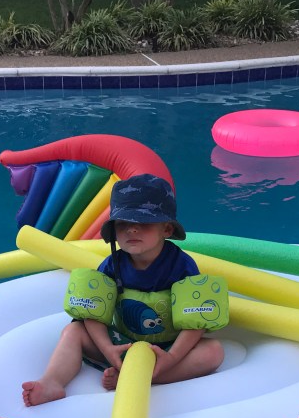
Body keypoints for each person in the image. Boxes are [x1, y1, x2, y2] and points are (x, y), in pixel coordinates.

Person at [22, 174, 225, 406]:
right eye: (123, 224)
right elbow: (92, 312)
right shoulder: (112, 265)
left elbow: (195, 320)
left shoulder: (182, 266)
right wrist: (107, 348)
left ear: (167, 229)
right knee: (73, 331)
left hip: (168, 348)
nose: (132, 230)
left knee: (213, 352)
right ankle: (52, 381)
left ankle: (137, 377)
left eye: (144, 223)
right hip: (120, 343)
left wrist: (172, 356)